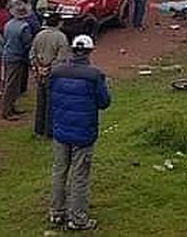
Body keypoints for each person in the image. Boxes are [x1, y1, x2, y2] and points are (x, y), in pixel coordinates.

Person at [48, 34, 111, 231]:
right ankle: (78, 218)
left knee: (59, 171)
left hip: (61, 129)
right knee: (79, 175)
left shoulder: (57, 72)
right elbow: (104, 102)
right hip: (83, 132)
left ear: (72, 50)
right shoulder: (94, 75)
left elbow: (52, 96)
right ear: (90, 51)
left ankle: (57, 212)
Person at [30, 12, 71, 138]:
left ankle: (38, 130)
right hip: (53, 74)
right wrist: (48, 68)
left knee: (40, 101)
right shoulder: (61, 37)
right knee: (51, 103)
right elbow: (61, 59)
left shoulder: (39, 35)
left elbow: (32, 53)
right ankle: (49, 131)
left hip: (40, 72)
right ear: (59, 22)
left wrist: (38, 68)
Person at [1, 0, 34, 121]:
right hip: (17, 56)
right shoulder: (24, 27)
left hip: (8, 54)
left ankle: (11, 107)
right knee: (11, 85)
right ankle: (6, 111)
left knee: (11, 83)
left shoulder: (8, 24)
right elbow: (27, 44)